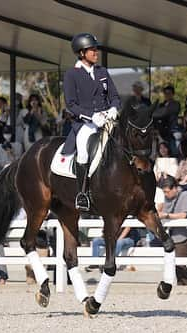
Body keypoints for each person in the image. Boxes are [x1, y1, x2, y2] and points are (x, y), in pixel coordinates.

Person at [63, 33, 121, 211]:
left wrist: (113, 109)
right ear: (81, 53)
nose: (96, 52)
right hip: (85, 123)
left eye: (96, 49)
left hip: (107, 119)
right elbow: (71, 104)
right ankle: (82, 194)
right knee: (83, 151)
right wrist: (91, 116)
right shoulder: (72, 74)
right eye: (92, 49)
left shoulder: (102, 71)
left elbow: (114, 96)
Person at [158, 176, 187, 285]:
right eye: (164, 192)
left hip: (186, 234)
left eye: (167, 192)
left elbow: (183, 215)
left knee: (179, 262)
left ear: (175, 188)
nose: (166, 194)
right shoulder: (168, 198)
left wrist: (166, 215)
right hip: (174, 234)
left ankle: (186, 285)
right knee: (175, 263)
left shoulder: (185, 195)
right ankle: (183, 285)